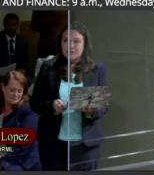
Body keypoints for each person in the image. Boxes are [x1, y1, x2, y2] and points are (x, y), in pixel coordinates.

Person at [30, 21, 109, 171]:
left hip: (86, 147)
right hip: (53, 145)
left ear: (85, 44)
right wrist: (51, 106)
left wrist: (91, 110)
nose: (70, 46)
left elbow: (104, 106)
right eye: (65, 40)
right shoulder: (48, 68)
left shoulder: (97, 69)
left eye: (76, 41)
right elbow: (35, 102)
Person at [0, 71, 41, 171]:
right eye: (12, 90)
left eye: (20, 91)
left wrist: (3, 163)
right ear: (3, 87)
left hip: (20, 159)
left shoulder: (29, 110)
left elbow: (24, 145)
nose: (16, 94)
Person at [0, 13, 31, 94]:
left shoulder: (22, 41)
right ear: (4, 25)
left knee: (29, 80)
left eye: (14, 25)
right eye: (8, 25)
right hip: (0, 76)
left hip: (16, 75)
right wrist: (5, 72)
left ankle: (18, 103)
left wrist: (22, 70)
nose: (11, 27)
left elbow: (23, 62)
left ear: (17, 26)